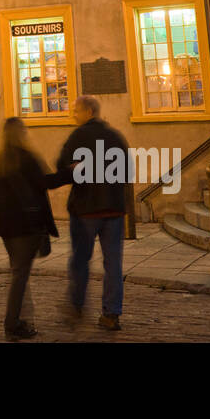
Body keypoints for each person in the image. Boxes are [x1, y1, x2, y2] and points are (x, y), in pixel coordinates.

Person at [48, 95, 127, 331]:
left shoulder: (79, 136)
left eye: (76, 111)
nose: (73, 115)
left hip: (85, 210)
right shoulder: (115, 137)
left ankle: (76, 305)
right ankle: (111, 314)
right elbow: (127, 170)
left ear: (89, 112)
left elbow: (61, 165)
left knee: (80, 260)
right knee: (113, 264)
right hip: (113, 209)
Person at [0, 117, 58, 341]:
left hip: (7, 228)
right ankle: (12, 322)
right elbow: (47, 182)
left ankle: (21, 317)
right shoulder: (27, 158)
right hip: (27, 226)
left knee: (18, 272)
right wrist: (72, 172)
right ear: (20, 133)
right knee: (19, 275)